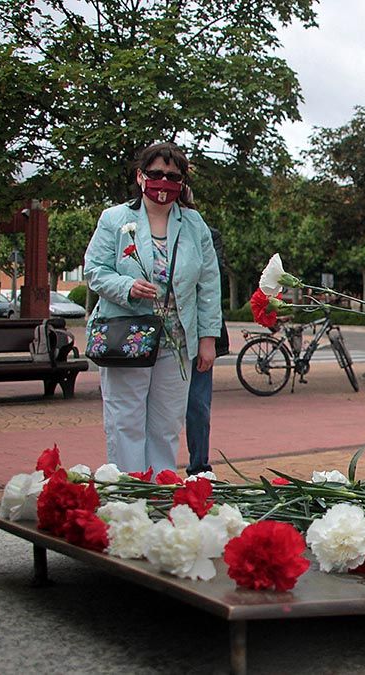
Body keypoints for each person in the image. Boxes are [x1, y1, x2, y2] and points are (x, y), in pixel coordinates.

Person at [83, 142, 222, 474]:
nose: (164, 181)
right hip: (127, 335)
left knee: (166, 422)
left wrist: (208, 338)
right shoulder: (114, 219)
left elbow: (208, 283)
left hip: (177, 341)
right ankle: (129, 493)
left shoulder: (193, 223)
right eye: (156, 173)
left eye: (173, 176)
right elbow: (94, 270)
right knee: (125, 419)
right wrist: (126, 286)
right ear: (141, 176)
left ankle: (159, 491)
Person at [185, 216, 230, 476]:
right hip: (159, 332)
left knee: (198, 406)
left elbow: (212, 281)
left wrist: (209, 338)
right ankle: (151, 472)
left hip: (198, 334)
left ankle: (199, 467)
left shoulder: (207, 234)